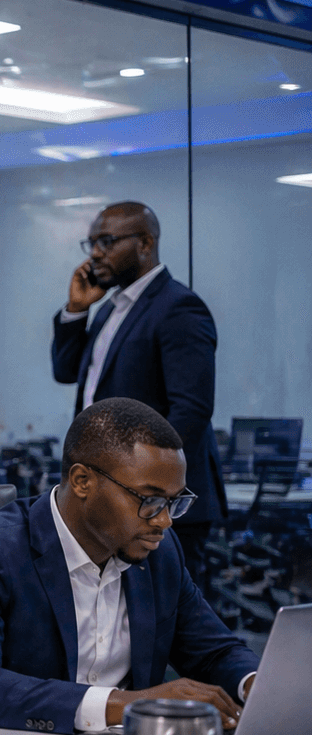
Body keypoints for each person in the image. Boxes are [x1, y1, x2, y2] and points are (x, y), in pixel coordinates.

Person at [0, 398, 259, 735]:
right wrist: (128, 704)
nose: (164, 521)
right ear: (82, 481)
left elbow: (214, 651)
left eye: (174, 502)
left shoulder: (159, 552)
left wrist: (258, 687)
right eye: (150, 500)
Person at [51, 201, 224, 598]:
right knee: (127, 613)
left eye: (107, 242)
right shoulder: (109, 310)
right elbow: (66, 371)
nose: (96, 254)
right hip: (118, 497)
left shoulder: (178, 307)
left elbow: (191, 411)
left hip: (160, 505)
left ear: (145, 243)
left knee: (172, 615)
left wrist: (146, 491)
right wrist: (76, 310)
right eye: (91, 244)